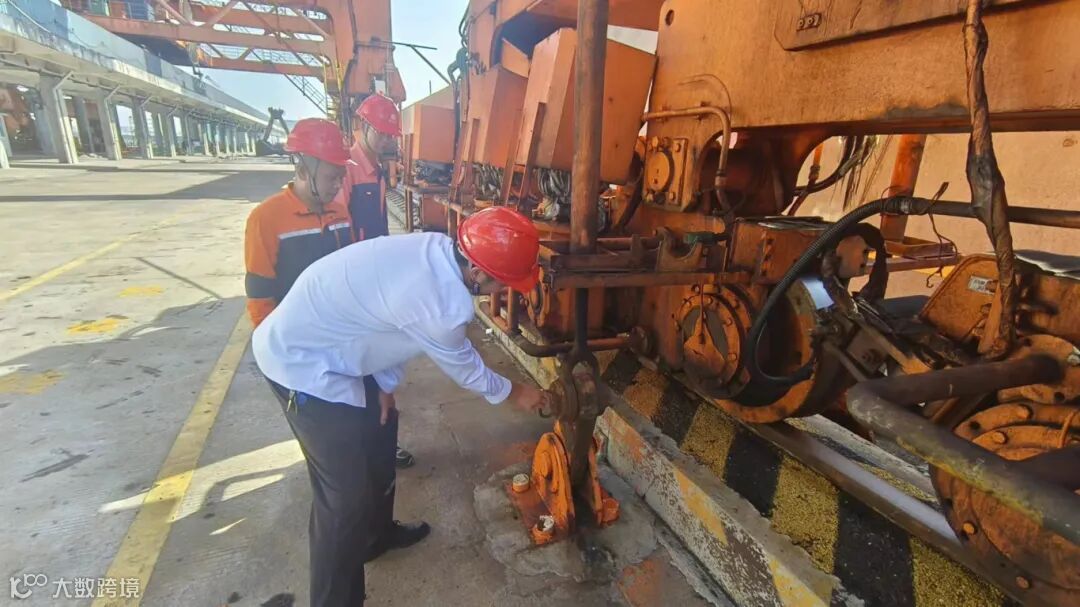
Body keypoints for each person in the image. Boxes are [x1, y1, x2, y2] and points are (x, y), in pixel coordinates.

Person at [251, 207, 551, 607]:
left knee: (380, 434)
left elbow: (390, 322)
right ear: (477, 272)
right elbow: (468, 370)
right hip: (299, 362)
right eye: (503, 282)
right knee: (343, 499)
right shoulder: (442, 306)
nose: (503, 291)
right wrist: (517, 392)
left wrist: (385, 384)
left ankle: (375, 537)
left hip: (338, 339)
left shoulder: (435, 250)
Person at [335, 94, 417, 468]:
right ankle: (371, 446)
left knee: (380, 364)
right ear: (364, 127)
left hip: (374, 279)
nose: (386, 140)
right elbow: (339, 230)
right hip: (355, 284)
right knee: (363, 368)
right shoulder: (348, 170)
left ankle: (384, 443)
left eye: (389, 135)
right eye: (381, 133)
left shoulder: (377, 170)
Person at [244, 118, 353, 328]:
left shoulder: (340, 213)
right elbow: (260, 292)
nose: (339, 185)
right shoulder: (266, 218)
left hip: (336, 327)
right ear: (303, 171)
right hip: (292, 331)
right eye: (332, 178)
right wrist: (271, 339)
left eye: (342, 177)